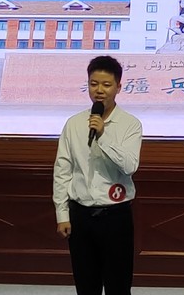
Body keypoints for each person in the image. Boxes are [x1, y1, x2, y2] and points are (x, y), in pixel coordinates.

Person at [53, 55, 143, 295]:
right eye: (93, 84)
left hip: (116, 216)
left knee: (118, 287)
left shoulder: (130, 124)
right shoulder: (73, 124)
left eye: (106, 85)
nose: (99, 90)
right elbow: (62, 170)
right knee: (86, 286)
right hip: (80, 216)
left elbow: (130, 166)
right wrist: (62, 214)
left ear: (118, 87)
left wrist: (103, 135)